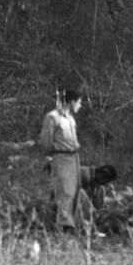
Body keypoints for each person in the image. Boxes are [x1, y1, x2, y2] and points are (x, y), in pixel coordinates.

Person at [39, 89, 83, 234]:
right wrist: (50, 158)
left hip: (73, 157)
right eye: (79, 102)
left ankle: (71, 223)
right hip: (61, 157)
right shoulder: (53, 117)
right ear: (71, 102)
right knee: (65, 191)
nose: (80, 106)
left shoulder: (70, 119)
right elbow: (46, 141)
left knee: (75, 190)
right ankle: (63, 226)